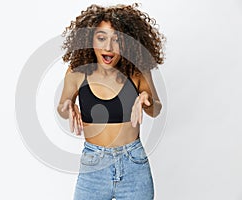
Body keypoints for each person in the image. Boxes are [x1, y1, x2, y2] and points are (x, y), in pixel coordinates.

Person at [57, 3, 165, 200]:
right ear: (90, 39)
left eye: (116, 40)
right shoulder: (77, 71)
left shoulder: (137, 71)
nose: (108, 47)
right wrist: (67, 107)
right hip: (93, 167)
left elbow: (156, 110)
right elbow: (63, 107)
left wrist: (146, 99)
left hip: (134, 164)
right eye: (101, 38)